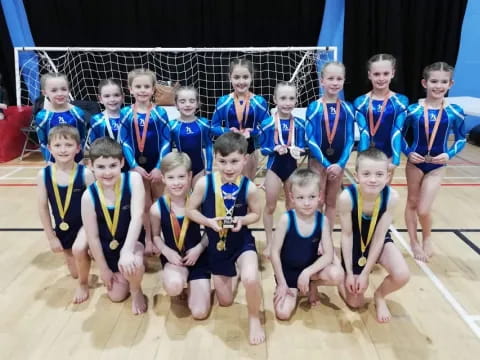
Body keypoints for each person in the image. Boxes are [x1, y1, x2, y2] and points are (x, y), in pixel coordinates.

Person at [186, 132, 265, 345]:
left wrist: (242, 219)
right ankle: (235, 272)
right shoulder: (204, 184)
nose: (229, 168)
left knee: (251, 278)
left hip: (241, 243)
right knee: (226, 302)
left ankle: (254, 317)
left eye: (234, 162)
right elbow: (190, 210)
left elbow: (256, 214)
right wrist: (208, 222)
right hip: (216, 245)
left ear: (245, 160)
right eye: (222, 161)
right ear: (214, 159)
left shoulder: (248, 186)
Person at [402, 62, 466, 262]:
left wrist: (449, 154)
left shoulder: (455, 111)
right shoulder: (413, 110)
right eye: (434, 81)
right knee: (412, 202)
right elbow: (399, 134)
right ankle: (413, 242)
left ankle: (427, 237)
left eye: (443, 82)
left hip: (437, 165)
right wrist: (408, 152)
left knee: (423, 209)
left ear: (451, 84)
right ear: (424, 83)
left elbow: (462, 137)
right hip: (416, 162)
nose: (438, 86)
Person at [338, 148, 410, 323]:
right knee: (355, 302)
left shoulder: (391, 197)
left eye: (379, 174)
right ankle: (339, 268)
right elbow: (347, 235)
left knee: (402, 274)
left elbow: (379, 237)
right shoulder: (347, 197)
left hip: (378, 241)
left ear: (387, 176)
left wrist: (365, 272)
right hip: (355, 242)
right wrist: (348, 273)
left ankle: (379, 296)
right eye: (366, 174)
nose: (372, 179)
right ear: (356, 176)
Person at [81, 137, 147, 315]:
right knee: (116, 296)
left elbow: (137, 216)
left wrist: (126, 251)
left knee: (134, 263)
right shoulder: (88, 196)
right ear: (90, 166)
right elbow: (93, 237)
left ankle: (136, 290)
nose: (107, 172)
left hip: (132, 243)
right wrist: (103, 269)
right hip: (108, 249)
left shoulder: (133, 180)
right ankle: (122, 273)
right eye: (101, 167)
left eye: (112, 165)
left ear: (122, 163)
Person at [270, 168, 344, 320]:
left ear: (319, 196)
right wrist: (282, 283)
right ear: (291, 197)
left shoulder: (322, 221)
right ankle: (293, 287)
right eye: (301, 197)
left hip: (311, 271)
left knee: (337, 275)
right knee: (283, 313)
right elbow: (274, 253)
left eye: (311, 197)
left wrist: (308, 273)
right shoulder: (286, 219)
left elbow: (329, 255)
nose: (306, 203)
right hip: (288, 274)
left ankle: (312, 285)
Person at [36, 125, 94, 304]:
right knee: (75, 273)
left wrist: (93, 233)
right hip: (62, 227)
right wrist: (51, 237)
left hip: (85, 226)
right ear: (48, 147)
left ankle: (84, 284)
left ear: (78, 148)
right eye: (58, 145)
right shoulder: (43, 174)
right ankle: (83, 262)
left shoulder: (85, 173)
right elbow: (43, 207)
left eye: (68, 145)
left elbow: (95, 206)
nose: (63, 150)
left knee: (79, 252)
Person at [150, 152, 211, 319]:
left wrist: (199, 248)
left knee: (200, 313)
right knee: (174, 286)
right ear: (163, 178)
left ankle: (194, 284)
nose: (176, 183)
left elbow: (210, 231)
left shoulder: (199, 203)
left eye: (181, 177)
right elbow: (155, 236)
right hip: (173, 259)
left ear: (190, 176)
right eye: (171, 177)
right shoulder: (157, 208)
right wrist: (166, 251)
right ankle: (181, 282)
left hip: (197, 257)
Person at [118, 69, 171, 255]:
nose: (142, 90)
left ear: (153, 89)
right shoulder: (125, 113)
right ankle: (148, 238)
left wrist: (159, 167)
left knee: (160, 201)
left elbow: (166, 140)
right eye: (138, 86)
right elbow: (123, 140)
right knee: (145, 204)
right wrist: (133, 165)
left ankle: (164, 236)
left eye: (146, 86)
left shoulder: (160, 112)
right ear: (130, 89)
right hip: (136, 167)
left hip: (157, 165)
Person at [305, 62, 356, 226]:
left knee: (332, 202)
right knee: (317, 202)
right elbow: (310, 138)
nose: (335, 82)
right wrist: (326, 164)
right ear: (322, 81)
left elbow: (349, 139)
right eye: (331, 78)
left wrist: (340, 164)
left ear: (344, 81)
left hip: (338, 163)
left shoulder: (348, 108)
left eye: (339, 79)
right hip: (318, 161)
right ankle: (315, 239)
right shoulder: (314, 107)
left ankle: (326, 238)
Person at [259, 81, 305, 258]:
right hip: (274, 168)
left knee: (292, 205)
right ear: (275, 99)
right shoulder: (268, 123)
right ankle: (270, 242)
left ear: (296, 100)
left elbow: (303, 144)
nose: (287, 102)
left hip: (292, 168)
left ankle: (289, 239)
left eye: (291, 98)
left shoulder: (299, 124)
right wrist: (273, 148)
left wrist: (298, 149)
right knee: (270, 206)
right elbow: (263, 148)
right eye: (283, 98)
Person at [211, 58, 269, 180]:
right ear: (230, 77)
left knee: (247, 185)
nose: (241, 81)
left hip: (250, 150)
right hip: (227, 152)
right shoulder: (223, 101)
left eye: (245, 77)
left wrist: (251, 132)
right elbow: (213, 127)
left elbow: (268, 128)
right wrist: (228, 131)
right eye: (236, 77)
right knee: (228, 186)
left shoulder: (259, 102)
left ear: (252, 77)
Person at [354, 54, 409, 178]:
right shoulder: (361, 102)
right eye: (376, 74)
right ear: (369, 75)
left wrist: (395, 160)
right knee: (366, 195)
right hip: (367, 155)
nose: (381, 78)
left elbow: (397, 131)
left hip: (388, 155)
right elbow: (364, 133)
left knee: (384, 194)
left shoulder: (400, 101)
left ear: (393, 73)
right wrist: (361, 159)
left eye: (385, 73)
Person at [35, 72, 87, 163]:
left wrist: (81, 160)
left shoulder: (78, 113)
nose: (60, 93)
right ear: (44, 92)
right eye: (54, 90)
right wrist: (48, 162)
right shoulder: (42, 117)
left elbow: (82, 138)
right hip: (54, 163)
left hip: (77, 161)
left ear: (69, 90)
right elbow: (43, 142)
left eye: (63, 89)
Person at [169, 86, 213, 186]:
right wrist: (170, 169)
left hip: (200, 168)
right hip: (180, 169)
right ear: (176, 104)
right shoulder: (172, 126)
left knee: (199, 198)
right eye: (182, 101)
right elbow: (168, 149)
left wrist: (209, 168)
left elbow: (209, 145)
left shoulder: (204, 123)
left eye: (192, 101)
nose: (187, 105)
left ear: (197, 104)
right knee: (183, 199)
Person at [88, 79, 124, 144]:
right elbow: (92, 146)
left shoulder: (130, 117)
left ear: (123, 97)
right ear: (100, 99)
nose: (112, 99)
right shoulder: (96, 120)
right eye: (107, 96)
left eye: (116, 95)